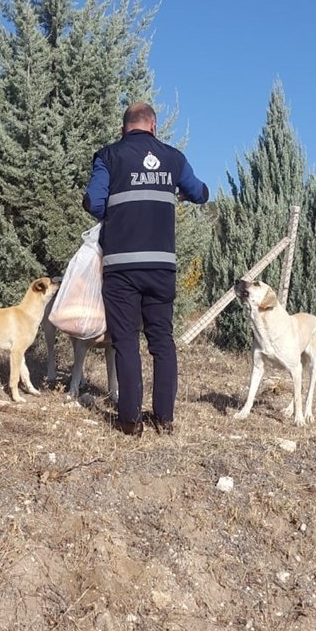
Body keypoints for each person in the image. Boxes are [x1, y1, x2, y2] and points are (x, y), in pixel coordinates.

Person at [83, 102, 209, 436]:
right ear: (153, 126)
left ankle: (129, 422)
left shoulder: (108, 156)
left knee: (126, 340)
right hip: (161, 265)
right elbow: (200, 193)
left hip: (121, 266)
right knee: (162, 341)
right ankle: (165, 419)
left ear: (123, 127)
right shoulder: (172, 157)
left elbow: (92, 202)